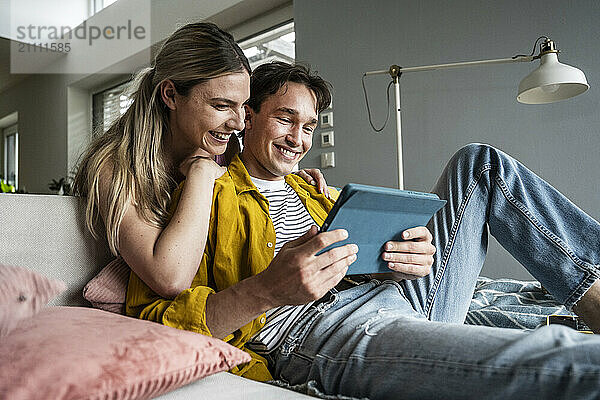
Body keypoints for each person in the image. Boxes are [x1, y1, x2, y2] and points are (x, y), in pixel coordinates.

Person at [127, 61, 600, 399]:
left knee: (479, 163)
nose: (299, 138)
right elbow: (157, 319)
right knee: (568, 359)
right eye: (285, 118)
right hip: (320, 330)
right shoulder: (203, 188)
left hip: (395, 295)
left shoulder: (313, 190)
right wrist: (269, 288)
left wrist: (410, 255)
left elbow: (363, 256)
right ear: (246, 117)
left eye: (309, 126)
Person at [73, 23, 326, 301]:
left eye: (242, 105)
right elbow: (170, 278)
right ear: (170, 95)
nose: (239, 123)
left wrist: (289, 181)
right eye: (221, 106)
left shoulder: (221, 145)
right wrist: (202, 174)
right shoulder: (114, 167)